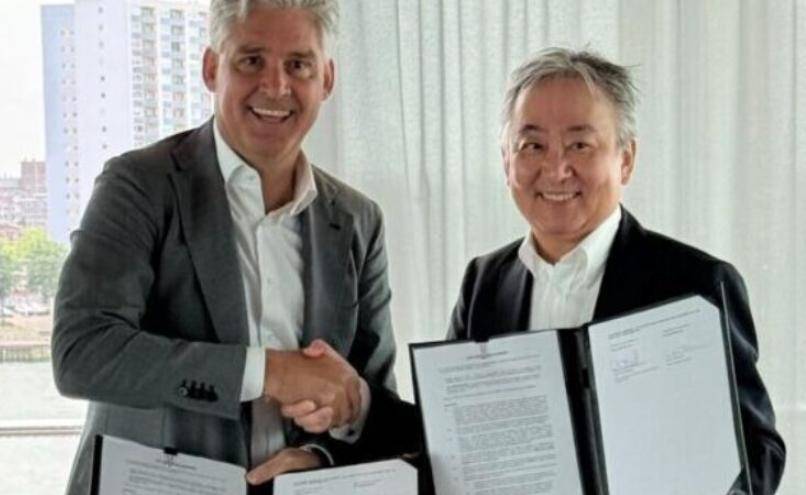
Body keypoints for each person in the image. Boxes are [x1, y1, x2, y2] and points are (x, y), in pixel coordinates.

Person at [52, 1, 417, 494]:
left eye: (298, 65)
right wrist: (268, 372)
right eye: (251, 60)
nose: (276, 86)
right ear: (211, 68)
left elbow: (371, 403)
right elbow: (82, 353)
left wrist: (322, 455)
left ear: (327, 79)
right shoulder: (137, 185)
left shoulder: (358, 220)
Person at [447, 47, 785, 494]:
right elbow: (452, 438)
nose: (556, 169)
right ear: (506, 161)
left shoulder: (695, 285)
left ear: (626, 159)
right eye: (533, 146)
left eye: (579, 145)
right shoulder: (484, 283)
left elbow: (758, 453)